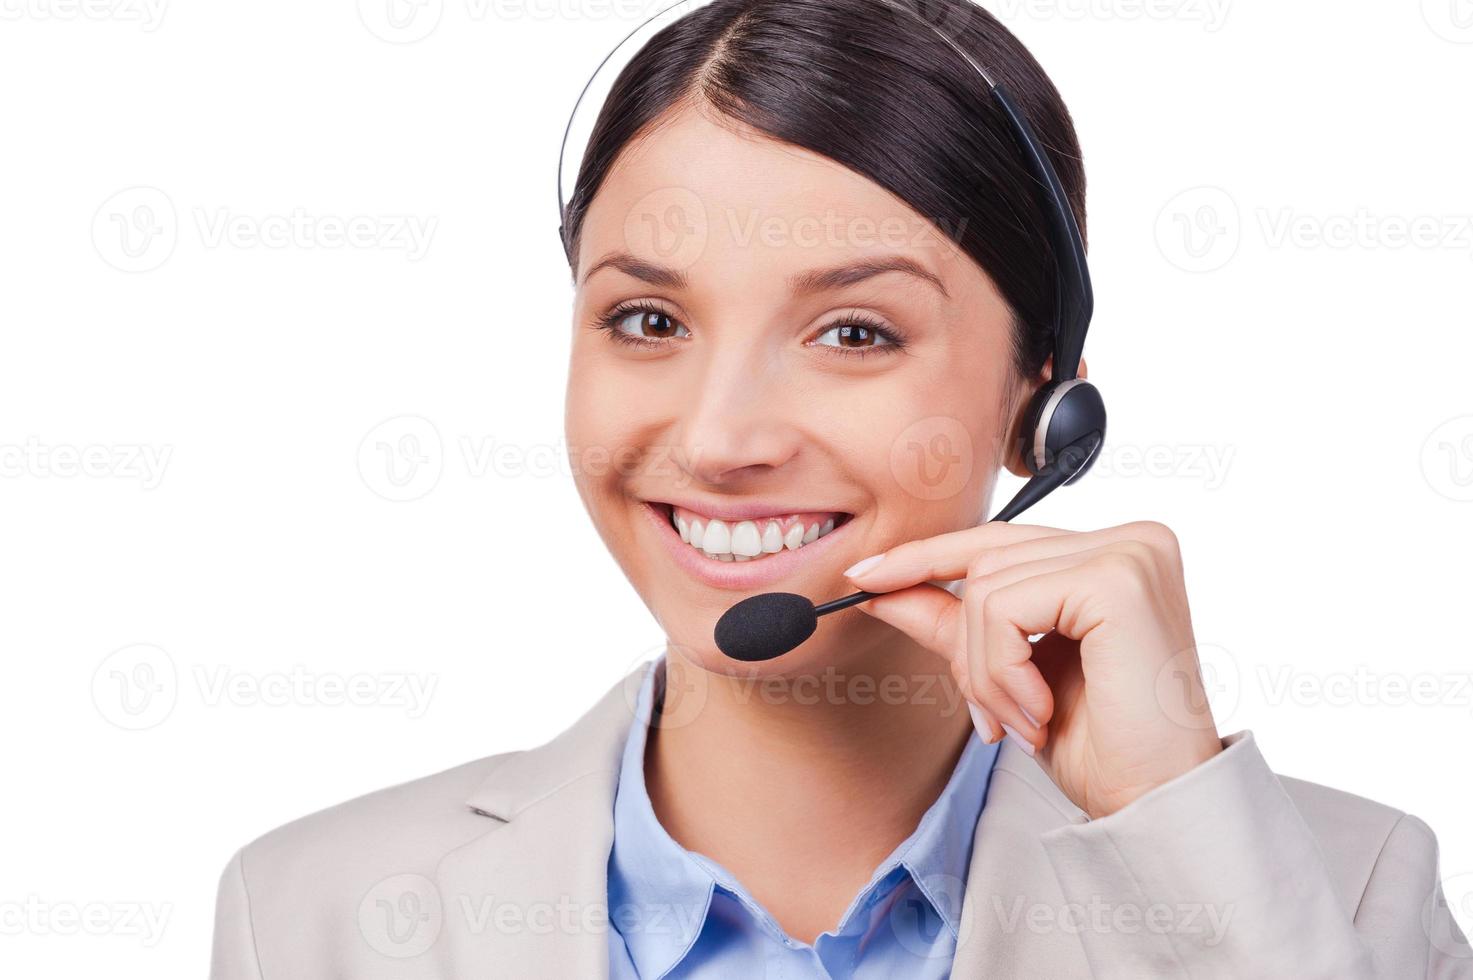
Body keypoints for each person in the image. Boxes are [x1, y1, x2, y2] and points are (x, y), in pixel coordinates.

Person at [209, 0, 1473, 976]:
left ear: (1045, 404)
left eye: (855, 333)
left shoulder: (1345, 896)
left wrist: (1181, 839)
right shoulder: (319, 910)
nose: (718, 436)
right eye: (647, 318)